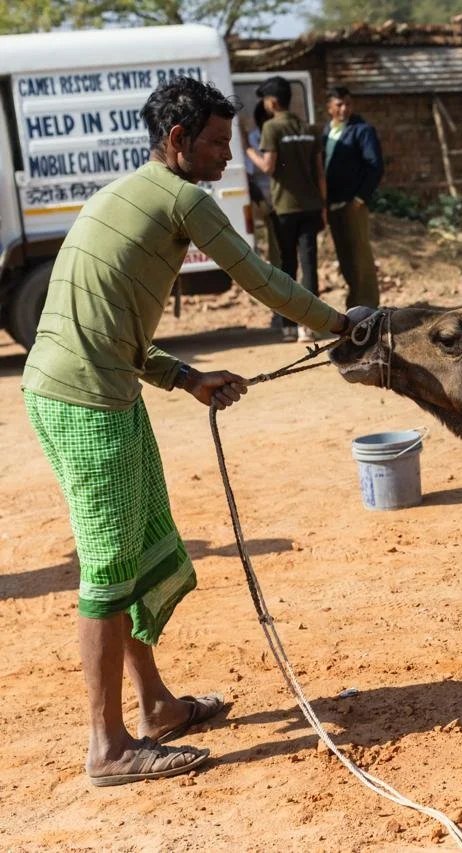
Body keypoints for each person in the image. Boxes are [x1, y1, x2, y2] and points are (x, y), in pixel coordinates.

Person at [21, 77, 368, 786]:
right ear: (177, 141)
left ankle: (155, 706)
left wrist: (186, 377)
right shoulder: (183, 198)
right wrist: (341, 325)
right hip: (87, 400)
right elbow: (261, 277)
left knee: (139, 539)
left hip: (74, 388)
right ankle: (108, 747)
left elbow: (112, 331)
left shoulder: (121, 194)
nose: (226, 155)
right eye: (214, 142)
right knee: (108, 565)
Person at [246, 76, 325, 343]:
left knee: (287, 267)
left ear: (272, 102)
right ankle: (311, 325)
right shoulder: (308, 127)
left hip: (286, 209)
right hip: (311, 206)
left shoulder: (271, 128)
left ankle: (290, 325)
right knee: (310, 263)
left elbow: (268, 166)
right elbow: (319, 172)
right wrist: (322, 206)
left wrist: (248, 150)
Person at [322, 86, 384, 309]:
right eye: (339, 104)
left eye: (348, 104)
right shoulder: (327, 131)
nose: (344, 109)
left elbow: (375, 166)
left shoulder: (362, 130)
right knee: (345, 257)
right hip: (332, 204)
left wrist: (360, 198)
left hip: (353, 203)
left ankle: (368, 305)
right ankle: (354, 304)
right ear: (329, 107)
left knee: (360, 256)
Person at [244, 99, 280, 267]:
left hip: (281, 196)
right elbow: (249, 174)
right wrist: (263, 204)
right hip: (263, 199)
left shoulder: (279, 136)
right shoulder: (253, 139)